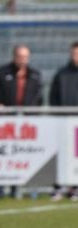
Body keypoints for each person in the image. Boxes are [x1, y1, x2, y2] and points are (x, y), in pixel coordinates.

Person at [0, 44, 43, 199]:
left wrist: (33, 112)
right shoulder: (2, 73)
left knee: (21, 155)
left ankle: (17, 188)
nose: (23, 60)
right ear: (14, 56)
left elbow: (39, 97)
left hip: (25, 123)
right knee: (0, 154)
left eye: (25, 57)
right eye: (20, 56)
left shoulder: (34, 75)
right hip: (4, 122)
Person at [49, 40, 78, 202]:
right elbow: (53, 96)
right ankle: (58, 187)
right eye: (74, 53)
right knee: (61, 155)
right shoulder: (62, 74)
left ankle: (76, 188)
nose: (76, 57)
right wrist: (57, 114)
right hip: (63, 122)